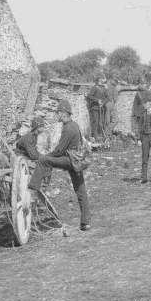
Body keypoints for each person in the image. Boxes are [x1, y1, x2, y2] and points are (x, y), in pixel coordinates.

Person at [29, 99, 91, 231]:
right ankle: (85, 223)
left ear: (63, 113)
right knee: (81, 191)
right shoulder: (74, 125)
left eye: (57, 112)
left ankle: (33, 187)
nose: (56, 115)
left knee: (43, 160)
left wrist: (46, 156)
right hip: (77, 162)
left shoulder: (68, 128)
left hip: (70, 161)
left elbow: (59, 151)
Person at [86, 75, 106, 140]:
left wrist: (103, 103)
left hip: (101, 107)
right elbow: (89, 96)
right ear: (99, 79)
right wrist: (97, 100)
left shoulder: (103, 87)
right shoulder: (95, 87)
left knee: (101, 123)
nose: (105, 79)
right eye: (103, 78)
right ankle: (95, 137)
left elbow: (107, 96)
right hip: (94, 107)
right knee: (96, 122)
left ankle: (100, 136)